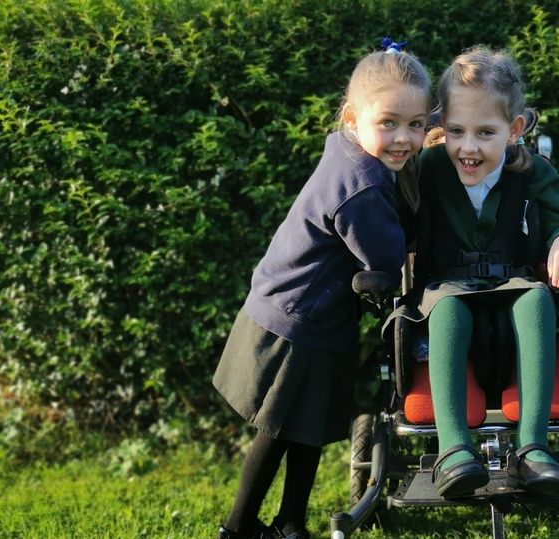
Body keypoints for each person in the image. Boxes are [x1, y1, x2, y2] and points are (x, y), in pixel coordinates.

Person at [213, 40, 430, 539]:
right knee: (277, 430)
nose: (404, 138)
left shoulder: (347, 152)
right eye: (389, 123)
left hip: (308, 314)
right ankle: (238, 527)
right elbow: (387, 258)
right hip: (297, 320)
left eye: (416, 124)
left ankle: (290, 523)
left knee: (306, 427)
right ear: (353, 118)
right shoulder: (363, 185)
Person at [392, 45, 559, 499]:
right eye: (457, 131)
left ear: (514, 129)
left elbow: (558, 219)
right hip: (446, 285)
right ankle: (454, 451)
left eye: (486, 133)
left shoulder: (534, 172)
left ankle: (532, 452)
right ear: (441, 128)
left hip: (512, 281)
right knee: (448, 309)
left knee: (538, 297)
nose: (469, 147)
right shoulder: (429, 168)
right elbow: (395, 216)